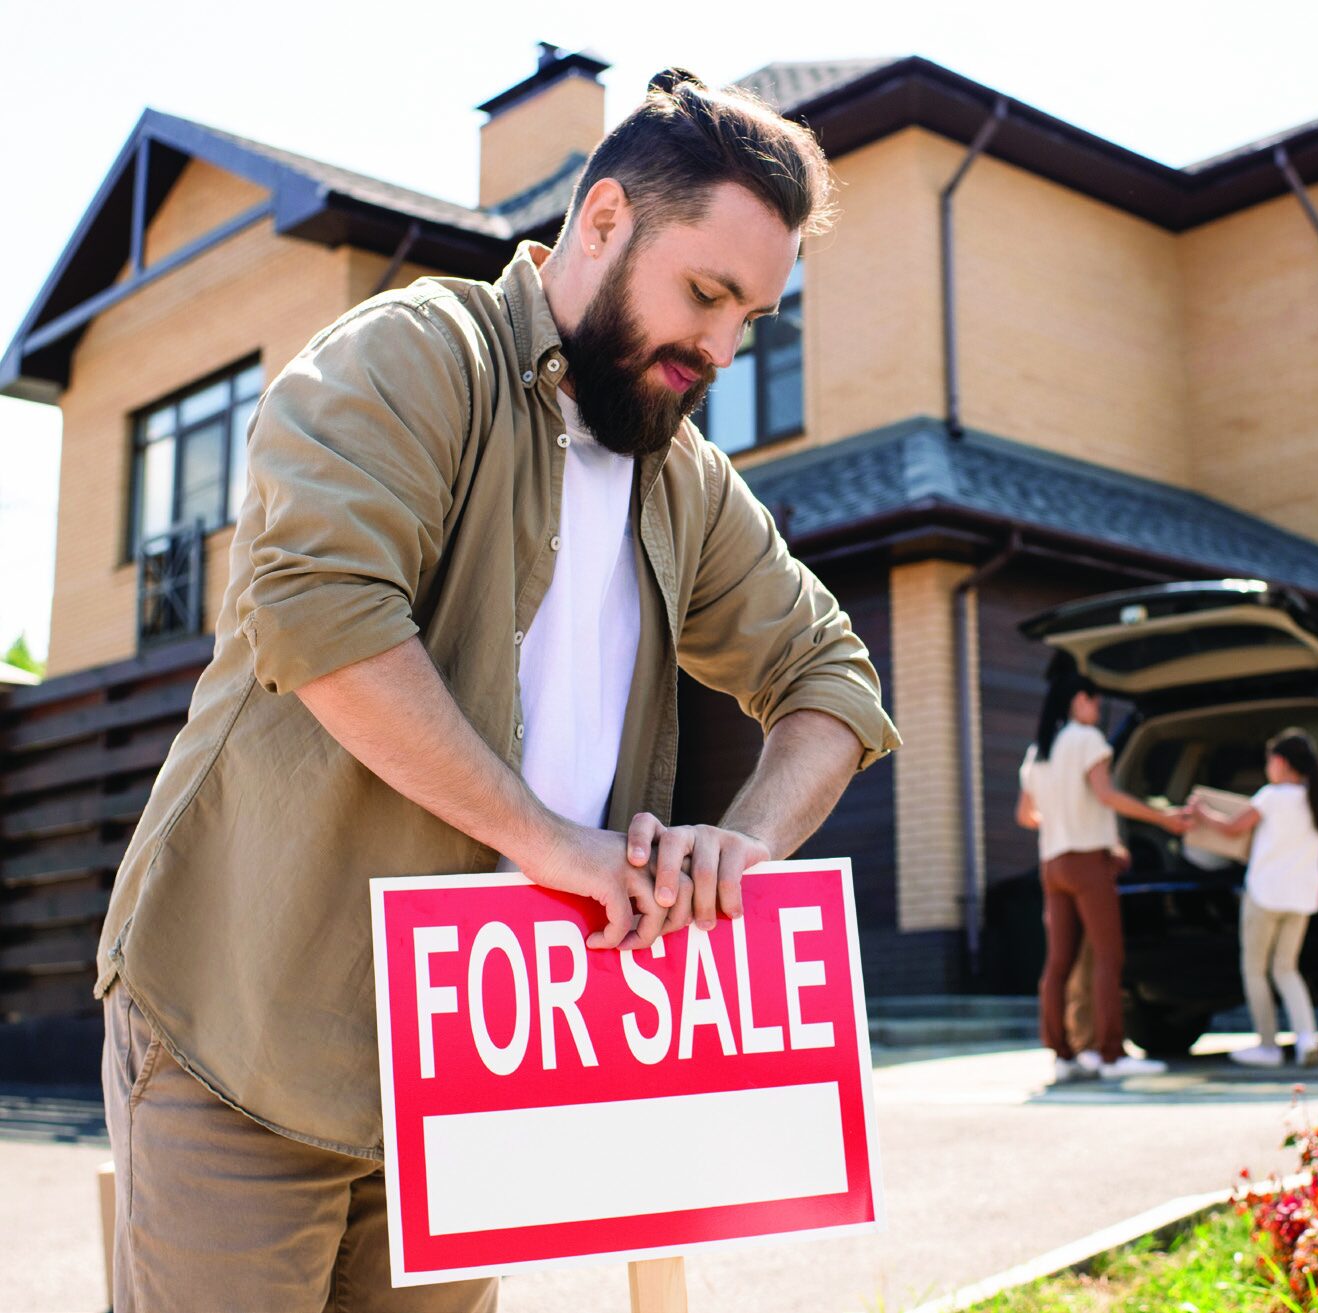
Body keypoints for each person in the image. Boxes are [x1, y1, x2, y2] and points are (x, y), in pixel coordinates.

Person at [94, 70, 900, 1312]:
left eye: (752, 317)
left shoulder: (683, 478)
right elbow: (321, 612)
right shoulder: (411, 353)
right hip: (246, 1030)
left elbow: (831, 676)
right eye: (704, 293)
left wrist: (737, 851)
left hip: (470, 1075)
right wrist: (551, 845)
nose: (721, 349)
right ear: (602, 220)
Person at [1017, 670, 1190, 1082]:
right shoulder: (1087, 740)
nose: (1096, 710)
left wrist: (1061, 819)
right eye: (1094, 702)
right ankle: (1112, 1054)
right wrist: (1163, 817)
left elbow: (1025, 816)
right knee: (1108, 957)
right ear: (1080, 700)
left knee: (1058, 963)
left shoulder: (1038, 751)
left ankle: (1062, 1056)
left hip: (1053, 864)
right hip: (1089, 863)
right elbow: (1107, 795)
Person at [1189, 729, 1318, 1069]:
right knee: (1286, 969)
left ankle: (1268, 1045)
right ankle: (1307, 1038)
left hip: (1265, 895)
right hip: (1300, 899)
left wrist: (1201, 813)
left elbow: (1232, 828)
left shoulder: (1271, 797)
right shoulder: (1315, 802)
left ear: (1282, 763)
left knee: (1255, 970)